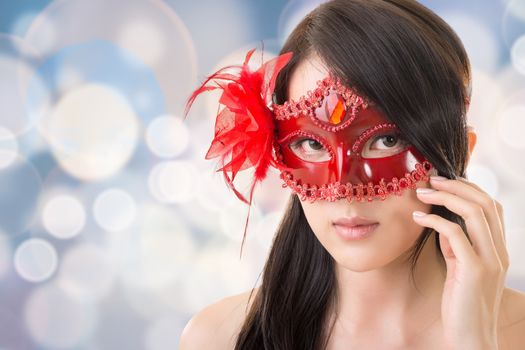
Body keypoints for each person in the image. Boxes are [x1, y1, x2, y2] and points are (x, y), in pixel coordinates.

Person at [180, 0, 525, 348]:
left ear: (461, 150)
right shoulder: (218, 337)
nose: (343, 188)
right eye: (311, 144)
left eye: (386, 140)